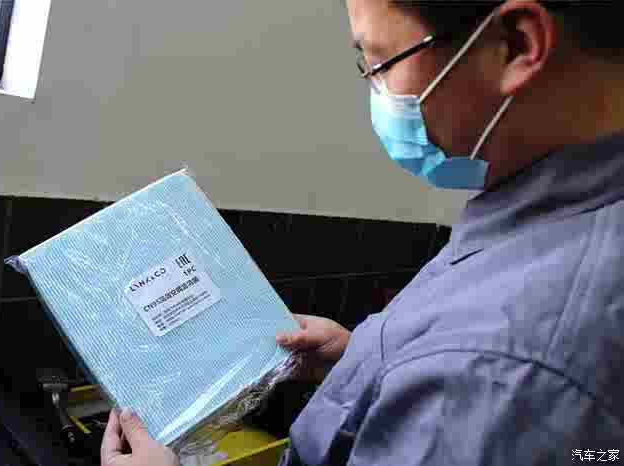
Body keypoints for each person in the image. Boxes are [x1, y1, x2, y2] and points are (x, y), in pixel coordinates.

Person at [100, 1, 624, 464]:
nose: (376, 90)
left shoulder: (496, 368)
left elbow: (492, 392)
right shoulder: (557, 222)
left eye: (379, 61)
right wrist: (366, 363)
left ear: (515, 45)